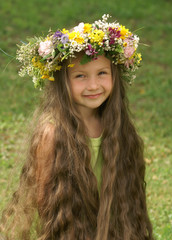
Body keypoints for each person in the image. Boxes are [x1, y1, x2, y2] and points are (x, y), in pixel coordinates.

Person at [0, 14, 154, 240]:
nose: (93, 85)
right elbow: (48, 203)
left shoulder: (118, 126)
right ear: (63, 81)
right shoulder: (52, 133)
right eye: (80, 76)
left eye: (102, 73)